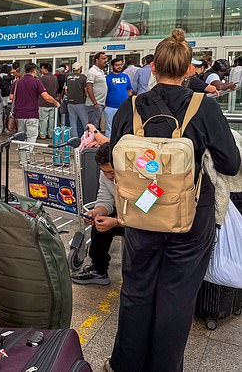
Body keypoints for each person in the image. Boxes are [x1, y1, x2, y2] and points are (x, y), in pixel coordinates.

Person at [105, 29, 240, 372]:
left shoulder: (130, 107)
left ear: (153, 67)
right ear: (187, 70)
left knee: (136, 290)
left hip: (142, 211)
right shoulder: (204, 107)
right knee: (177, 295)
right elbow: (230, 164)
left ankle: (125, 364)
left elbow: (114, 155)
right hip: (191, 216)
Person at [71, 143, 124, 286]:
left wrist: (117, 221)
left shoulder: (140, 174)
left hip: (147, 219)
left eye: (112, 172)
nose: (108, 176)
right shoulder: (106, 174)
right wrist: (96, 212)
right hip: (124, 213)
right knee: (99, 224)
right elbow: (105, 199)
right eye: (104, 171)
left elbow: (144, 209)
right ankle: (99, 270)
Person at [11, 62, 60, 163]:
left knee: (22, 137)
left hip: (19, 115)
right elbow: (46, 97)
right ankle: (26, 159)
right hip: (32, 114)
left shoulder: (17, 83)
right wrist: (55, 102)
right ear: (34, 71)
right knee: (31, 137)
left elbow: (11, 97)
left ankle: (23, 160)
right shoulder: (36, 82)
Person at [104, 58, 133, 138]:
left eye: (120, 65)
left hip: (124, 106)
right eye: (117, 65)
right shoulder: (107, 78)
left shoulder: (126, 77)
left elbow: (129, 90)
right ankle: (108, 146)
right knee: (110, 128)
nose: (119, 67)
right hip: (110, 106)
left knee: (124, 127)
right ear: (112, 66)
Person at [65, 62, 88, 138]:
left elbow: (65, 90)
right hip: (80, 102)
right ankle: (87, 138)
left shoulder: (68, 76)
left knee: (72, 122)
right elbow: (85, 90)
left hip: (70, 102)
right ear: (80, 68)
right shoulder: (83, 77)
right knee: (85, 122)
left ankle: (74, 139)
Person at [86, 52, 108, 129]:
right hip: (94, 104)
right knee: (92, 127)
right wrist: (95, 102)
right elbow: (89, 87)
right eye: (103, 58)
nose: (105, 60)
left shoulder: (101, 71)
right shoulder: (92, 71)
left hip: (100, 103)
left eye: (106, 58)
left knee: (95, 126)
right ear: (97, 60)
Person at [38, 62, 59, 139]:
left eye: (42, 68)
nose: (41, 70)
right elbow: (57, 87)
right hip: (52, 102)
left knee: (43, 120)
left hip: (43, 102)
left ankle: (42, 135)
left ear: (45, 68)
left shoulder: (42, 78)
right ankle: (50, 134)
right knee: (51, 120)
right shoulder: (54, 77)